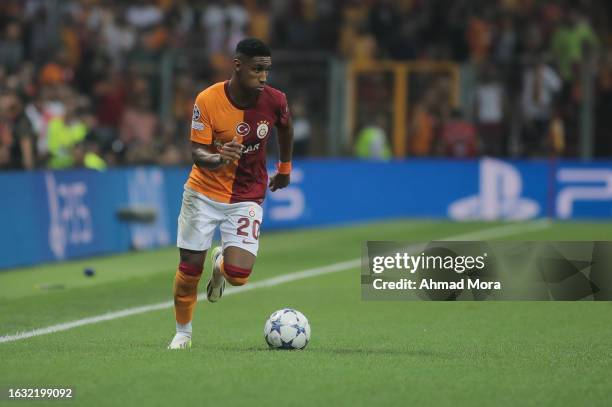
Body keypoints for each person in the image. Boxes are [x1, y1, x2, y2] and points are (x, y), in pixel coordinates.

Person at [168, 38, 293, 349]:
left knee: (239, 276)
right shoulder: (208, 100)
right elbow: (197, 152)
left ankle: (222, 262)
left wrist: (285, 168)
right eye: (257, 70)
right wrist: (220, 158)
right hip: (203, 192)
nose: (263, 77)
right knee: (189, 269)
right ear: (238, 65)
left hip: (246, 195)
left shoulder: (275, 100)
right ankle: (183, 333)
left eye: (267, 70)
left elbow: (286, 127)